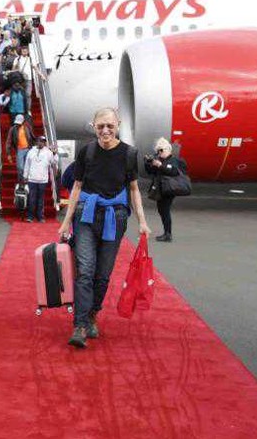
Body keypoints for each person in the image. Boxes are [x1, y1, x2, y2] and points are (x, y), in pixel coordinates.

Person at [58, 107, 151, 348]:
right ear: (94, 126)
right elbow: (76, 187)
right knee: (86, 270)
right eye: (101, 126)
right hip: (85, 215)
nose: (106, 130)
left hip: (115, 216)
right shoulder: (86, 152)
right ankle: (79, 324)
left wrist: (142, 221)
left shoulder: (129, 154)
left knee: (103, 275)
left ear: (118, 124)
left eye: (110, 125)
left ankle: (91, 315)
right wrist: (66, 221)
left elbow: (133, 190)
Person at [145, 137, 187, 242]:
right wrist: (148, 163)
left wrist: (160, 165)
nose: (159, 153)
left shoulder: (174, 160)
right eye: (158, 150)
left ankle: (168, 234)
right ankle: (167, 233)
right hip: (161, 188)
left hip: (169, 189)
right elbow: (150, 172)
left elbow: (173, 171)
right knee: (162, 210)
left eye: (161, 150)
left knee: (165, 210)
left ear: (168, 149)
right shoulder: (159, 160)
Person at [23, 136, 56, 222]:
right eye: (40, 141)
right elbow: (27, 164)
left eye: (43, 141)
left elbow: (53, 163)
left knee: (41, 199)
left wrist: (55, 154)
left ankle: (40, 217)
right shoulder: (31, 152)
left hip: (43, 180)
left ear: (45, 143)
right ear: (37, 142)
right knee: (31, 198)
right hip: (32, 179)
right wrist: (25, 176)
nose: (41, 143)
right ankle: (30, 216)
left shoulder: (48, 153)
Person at [12, 46, 45, 110]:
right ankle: (20, 109)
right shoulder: (17, 59)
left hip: (29, 79)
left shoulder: (31, 59)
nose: (24, 52)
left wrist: (41, 75)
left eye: (26, 51)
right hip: (20, 80)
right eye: (23, 51)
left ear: (28, 52)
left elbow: (35, 68)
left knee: (28, 95)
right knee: (19, 95)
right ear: (21, 52)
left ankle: (28, 110)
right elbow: (13, 69)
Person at [7, 114, 35, 179]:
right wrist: (8, 153)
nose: (18, 124)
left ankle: (27, 180)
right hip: (20, 150)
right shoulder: (12, 129)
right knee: (20, 167)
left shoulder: (27, 127)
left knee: (28, 166)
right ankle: (21, 180)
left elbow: (32, 137)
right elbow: (9, 141)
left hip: (28, 149)